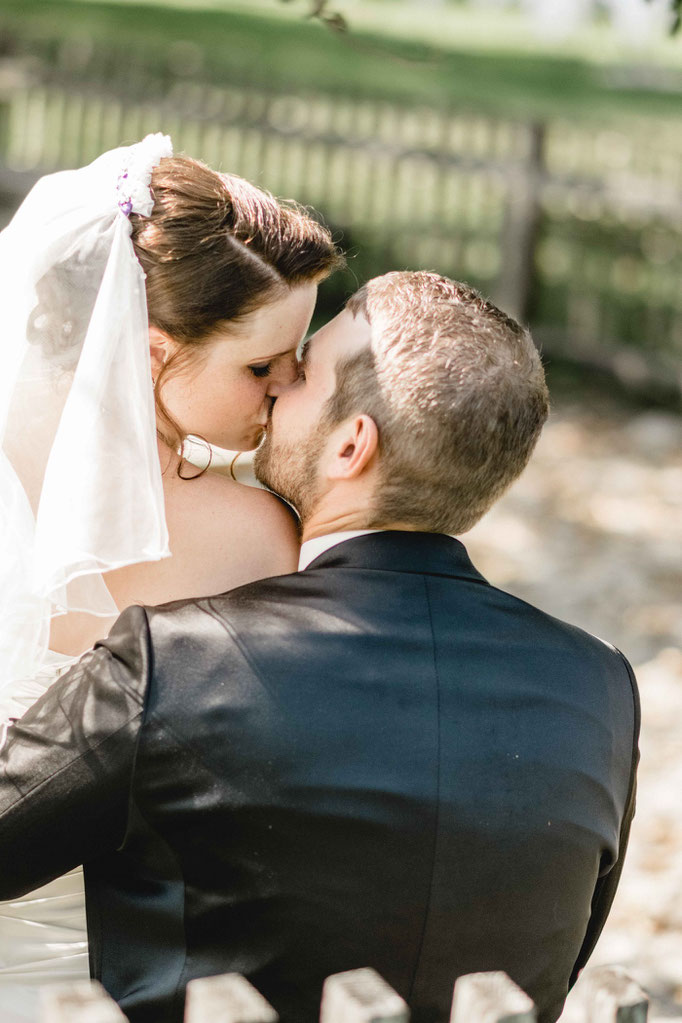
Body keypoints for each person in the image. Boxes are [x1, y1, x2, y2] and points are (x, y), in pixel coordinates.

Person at [0, 272, 639, 1023]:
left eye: (300, 374)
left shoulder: (174, 660)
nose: (275, 389)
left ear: (351, 445)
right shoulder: (599, 687)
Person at [0, 133, 341, 1016]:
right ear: (153, 353)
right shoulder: (255, 534)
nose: (287, 387)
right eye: (261, 365)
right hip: (141, 970)